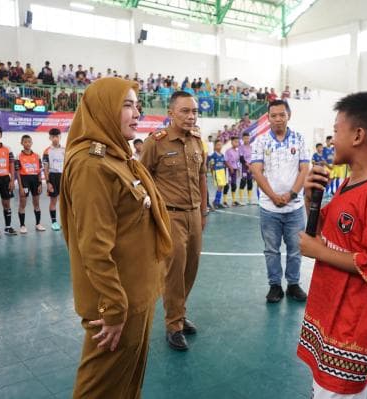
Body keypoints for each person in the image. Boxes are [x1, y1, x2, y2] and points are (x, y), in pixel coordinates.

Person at [60, 77, 172, 399]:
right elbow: (94, 248)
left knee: (126, 383)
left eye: (137, 105)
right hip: (116, 303)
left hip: (136, 294)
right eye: (127, 105)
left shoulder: (117, 156)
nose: (136, 113)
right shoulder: (91, 165)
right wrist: (112, 309)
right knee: (99, 389)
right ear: (103, 109)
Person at [297, 91, 367, 399]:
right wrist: (309, 198)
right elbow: (322, 232)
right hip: (329, 318)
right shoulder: (348, 184)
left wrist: (318, 252)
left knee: (336, 392)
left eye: (336, 131)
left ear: (358, 135)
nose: (332, 140)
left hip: (349, 328)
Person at [140, 91, 207, 351]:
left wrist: (203, 211)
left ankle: (178, 312)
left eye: (194, 112)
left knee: (191, 268)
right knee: (174, 273)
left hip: (193, 214)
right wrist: (149, 216)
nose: (191, 117)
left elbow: (202, 177)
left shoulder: (197, 142)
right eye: (185, 111)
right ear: (170, 113)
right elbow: (141, 179)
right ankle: (173, 325)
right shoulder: (155, 143)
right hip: (170, 215)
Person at [250, 99, 310, 303]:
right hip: (269, 208)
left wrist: (292, 194)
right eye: (273, 115)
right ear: (268, 118)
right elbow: (256, 171)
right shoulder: (260, 141)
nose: (277, 119)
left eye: (281, 115)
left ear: (288, 115)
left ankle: (293, 284)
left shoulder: (299, 139)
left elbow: (304, 169)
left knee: (295, 249)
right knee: (271, 250)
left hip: (295, 207)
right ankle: (274, 285)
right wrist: (273, 196)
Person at [16, 135, 46, 234]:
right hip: (24, 180)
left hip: (35, 181)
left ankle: (38, 224)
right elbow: (18, 173)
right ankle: (22, 225)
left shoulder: (37, 156)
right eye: (25, 142)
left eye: (29, 142)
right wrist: (20, 187)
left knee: (36, 203)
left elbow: (39, 171)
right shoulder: (18, 156)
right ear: (21, 143)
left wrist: (40, 183)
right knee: (22, 204)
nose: (27, 143)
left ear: (31, 143)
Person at [43, 128, 65, 231]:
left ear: (60, 137)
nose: (55, 139)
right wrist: (48, 182)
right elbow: (46, 168)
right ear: (50, 138)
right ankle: (54, 222)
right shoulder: (47, 151)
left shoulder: (65, 149)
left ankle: (65, 222)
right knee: (53, 201)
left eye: (57, 136)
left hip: (63, 177)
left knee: (65, 202)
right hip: (53, 176)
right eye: (53, 137)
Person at [208, 139, 227, 209]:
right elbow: (212, 165)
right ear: (215, 146)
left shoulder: (222, 155)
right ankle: (216, 202)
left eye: (221, 144)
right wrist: (213, 173)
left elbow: (223, 164)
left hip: (222, 171)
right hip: (217, 172)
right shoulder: (213, 155)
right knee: (219, 186)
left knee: (221, 187)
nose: (220, 146)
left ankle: (217, 201)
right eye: (218, 145)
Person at [223, 136, 242, 206]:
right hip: (229, 170)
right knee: (227, 185)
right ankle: (224, 201)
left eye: (237, 142)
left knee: (234, 185)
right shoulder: (228, 151)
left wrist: (238, 170)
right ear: (231, 142)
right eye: (235, 142)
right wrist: (230, 167)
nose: (237, 143)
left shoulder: (237, 152)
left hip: (235, 170)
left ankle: (233, 201)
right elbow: (225, 161)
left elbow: (237, 162)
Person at [238, 132, 254, 205]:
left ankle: (250, 199)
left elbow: (253, 157)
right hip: (244, 166)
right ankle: (241, 200)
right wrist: (247, 164)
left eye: (248, 138)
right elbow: (241, 158)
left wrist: (251, 166)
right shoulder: (241, 147)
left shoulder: (251, 147)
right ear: (243, 139)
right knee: (243, 181)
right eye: (245, 138)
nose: (246, 139)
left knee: (250, 182)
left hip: (251, 166)